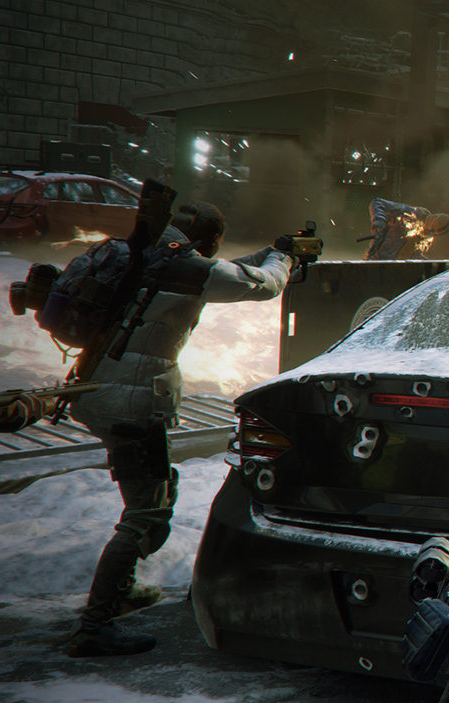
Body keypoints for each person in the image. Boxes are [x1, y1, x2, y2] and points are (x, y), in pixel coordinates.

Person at [66, 201, 296, 657]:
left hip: (98, 390)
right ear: (209, 240)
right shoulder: (187, 268)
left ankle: (121, 591)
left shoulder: (147, 256)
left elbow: (223, 272)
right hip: (133, 403)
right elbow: (263, 285)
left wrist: (269, 251)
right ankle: (94, 625)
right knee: (147, 511)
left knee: (150, 492)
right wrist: (284, 259)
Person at [363, 197, 449, 260]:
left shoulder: (426, 239)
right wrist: (379, 220)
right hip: (374, 260)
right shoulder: (409, 213)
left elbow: (412, 254)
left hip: (391, 269)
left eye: (433, 232)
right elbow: (378, 202)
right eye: (432, 229)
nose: (430, 233)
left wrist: (421, 260)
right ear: (433, 218)